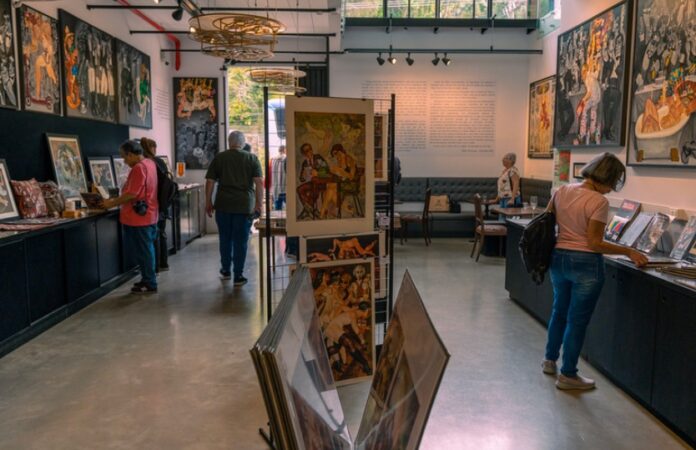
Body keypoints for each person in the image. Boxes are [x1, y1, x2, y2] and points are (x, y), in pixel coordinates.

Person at [542, 152, 648, 390]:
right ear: (607, 177)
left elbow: (548, 223)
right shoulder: (598, 202)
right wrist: (628, 251)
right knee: (577, 321)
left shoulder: (561, 190)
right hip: (586, 265)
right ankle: (568, 374)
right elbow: (594, 243)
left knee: (559, 312)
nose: (611, 189)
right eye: (613, 182)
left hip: (558, 258)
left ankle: (549, 360)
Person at [205, 130, 263, 285]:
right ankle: (238, 275)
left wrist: (208, 202)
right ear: (242, 143)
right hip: (244, 206)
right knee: (240, 241)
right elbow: (259, 182)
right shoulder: (251, 158)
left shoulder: (220, 158)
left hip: (223, 205)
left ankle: (225, 270)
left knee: (225, 239)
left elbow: (210, 181)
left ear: (229, 142)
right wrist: (259, 204)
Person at [102, 140, 159, 294]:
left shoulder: (139, 168)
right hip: (150, 214)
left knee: (144, 251)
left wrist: (110, 203)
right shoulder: (150, 163)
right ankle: (148, 279)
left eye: (124, 157)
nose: (124, 161)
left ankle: (150, 281)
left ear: (131, 154)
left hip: (139, 218)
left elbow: (132, 194)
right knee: (147, 250)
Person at [140, 137, 169, 272]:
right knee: (161, 233)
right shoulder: (160, 161)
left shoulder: (145, 164)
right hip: (163, 202)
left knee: (153, 236)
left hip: (152, 204)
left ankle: (155, 266)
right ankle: (164, 263)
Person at [271, 145, 287, 211]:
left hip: (276, 189)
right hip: (285, 188)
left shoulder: (273, 159)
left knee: (278, 211)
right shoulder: (286, 158)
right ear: (285, 150)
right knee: (291, 210)